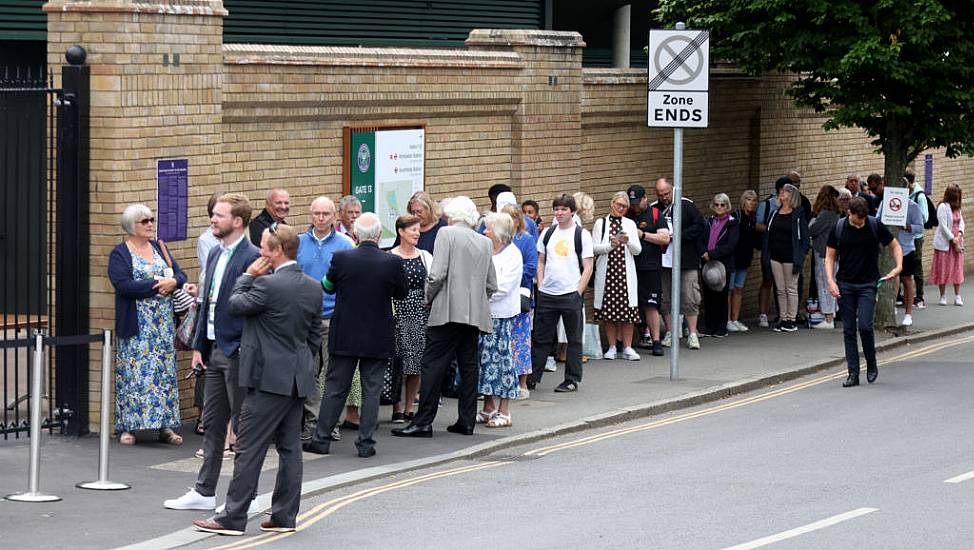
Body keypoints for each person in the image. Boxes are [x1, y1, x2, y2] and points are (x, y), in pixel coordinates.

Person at [192, 224, 322, 536]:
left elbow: (234, 305)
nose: (260, 252)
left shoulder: (267, 286)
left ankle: (233, 518)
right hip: (296, 378)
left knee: (249, 448)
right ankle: (284, 516)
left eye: (264, 247)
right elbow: (314, 336)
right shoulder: (313, 286)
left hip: (266, 381)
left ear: (277, 251)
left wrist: (248, 275)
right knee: (291, 449)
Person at [164, 193, 262, 511]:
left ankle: (244, 496)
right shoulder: (215, 254)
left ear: (237, 221)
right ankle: (204, 492)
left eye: (219, 215)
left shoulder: (253, 257)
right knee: (212, 424)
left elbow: (257, 308)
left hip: (237, 351)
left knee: (243, 429)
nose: (212, 219)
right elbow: (207, 303)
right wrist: (198, 347)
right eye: (213, 214)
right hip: (213, 348)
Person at [303, 213, 407, 457]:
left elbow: (328, 287)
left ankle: (321, 440)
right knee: (372, 390)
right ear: (380, 235)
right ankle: (366, 444)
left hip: (345, 333)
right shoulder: (391, 262)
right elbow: (401, 293)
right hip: (378, 335)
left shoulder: (341, 258)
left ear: (356, 235)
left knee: (335, 387)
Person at [392, 196, 497, 437]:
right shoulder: (484, 242)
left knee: (432, 365)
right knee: (469, 367)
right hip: (474, 315)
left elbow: (437, 275)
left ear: (452, 216)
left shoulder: (446, 234)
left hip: (447, 312)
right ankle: (466, 421)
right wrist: (477, 302)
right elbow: (491, 284)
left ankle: (423, 421)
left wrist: (427, 299)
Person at [108, 204, 188, 446]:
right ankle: (129, 427)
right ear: (132, 226)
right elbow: (123, 285)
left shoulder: (159, 247)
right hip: (137, 326)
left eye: (151, 220)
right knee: (133, 376)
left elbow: (180, 275)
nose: (150, 224)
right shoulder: (120, 253)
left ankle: (165, 426)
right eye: (145, 221)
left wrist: (173, 282)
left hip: (162, 326)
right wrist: (156, 284)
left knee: (163, 376)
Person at [295, 197, 355, 440]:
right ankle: (312, 422)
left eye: (325, 214)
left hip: (334, 317)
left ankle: (331, 423)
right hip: (304, 318)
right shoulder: (298, 242)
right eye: (316, 213)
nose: (320, 218)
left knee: (334, 373)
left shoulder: (346, 245)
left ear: (334, 216)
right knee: (306, 372)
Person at [826, 196, 902, 387]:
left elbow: (895, 246)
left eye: (863, 221)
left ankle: (871, 363)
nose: (861, 225)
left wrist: (898, 266)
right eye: (857, 221)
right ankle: (853, 373)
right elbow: (829, 257)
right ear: (848, 213)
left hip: (868, 284)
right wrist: (830, 281)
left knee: (866, 327)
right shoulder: (839, 228)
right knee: (849, 329)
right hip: (845, 284)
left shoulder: (874, 225)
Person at [528, 193, 594, 393]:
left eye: (564, 209)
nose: (560, 212)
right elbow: (540, 260)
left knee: (573, 339)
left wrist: (578, 291)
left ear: (572, 212)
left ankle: (572, 379)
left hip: (570, 294)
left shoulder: (581, 234)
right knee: (541, 338)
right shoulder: (547, 232)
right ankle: (533, 377)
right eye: (557, 209)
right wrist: (540, 285)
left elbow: (588, 266)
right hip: (547, 293)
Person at [476, 212, 523, 427]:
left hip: (500, 316)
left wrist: (477, 295)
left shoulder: (513, 254)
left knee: (502, 363)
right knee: (484, 362)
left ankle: (505, 412)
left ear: (499, 233)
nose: (485, 232)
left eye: (488, 229)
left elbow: (502, 288)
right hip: (482, 314)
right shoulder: (485, 249)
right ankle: (488, 407)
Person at [388, 214, 432, 422]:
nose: (417, 233)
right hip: (396, 313)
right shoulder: (390, 257)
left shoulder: (424, 256)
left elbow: (431, 283)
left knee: (415, 363)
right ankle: (396, 406)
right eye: (413, 229)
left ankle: (409, 407)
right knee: (395, 362)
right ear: (401, 232)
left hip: (418, 313)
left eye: (418, 229)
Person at [655, 178, 705, 349]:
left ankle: (692, 333)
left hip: (686, 260)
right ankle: (670, 332)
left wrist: (678, 236)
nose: (664, 198)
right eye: (660, 195)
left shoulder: (686, 205)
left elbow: (699, 226)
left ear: (672, 190)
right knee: (665, 298)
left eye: (666, 194)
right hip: (664, 261)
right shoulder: (655, 209)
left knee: (689, 296)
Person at [593, 191, 642, 359]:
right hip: (607, 273)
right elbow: (594, 248)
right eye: (619, 205)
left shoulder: (630, 224)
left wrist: (628, 241)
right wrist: (610, 245)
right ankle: (612, 347)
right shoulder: (601, 223)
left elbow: (638, 251)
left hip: (625, 273)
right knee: (609, 312)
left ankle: (627, 347)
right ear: (612, 203)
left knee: (628, 311)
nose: (621, 208)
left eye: (625, 206)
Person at [192, 191, 223, 437]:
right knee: (205, 361)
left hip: (226, 307)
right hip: (208, 303)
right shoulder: (206, 240)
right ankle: (203, 415)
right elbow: (211, 274)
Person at [762, 184, 810, 332]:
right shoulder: (774, 213)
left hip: (791, 256)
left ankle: (791, 319)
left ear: (792, 195)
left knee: (791, 288)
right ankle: (782, 318)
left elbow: (804, 238)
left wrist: (801, 255)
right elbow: (768, 235)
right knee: (780, 289)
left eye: (786, 191)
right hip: (775, 255)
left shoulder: (797, 215)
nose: (782, 192)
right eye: (781, 190)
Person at [501, 205, 537, 398]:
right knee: (503, 341)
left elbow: (531, 268)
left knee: (521, 341)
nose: (510, 221)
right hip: (500, 298)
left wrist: (510, 274)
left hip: (520, 296)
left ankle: (522, 383)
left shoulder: (526, 240)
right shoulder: (497, 240)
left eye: (513, 217)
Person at [876, 180, 924, 326]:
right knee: (889, 278)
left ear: (907, 191)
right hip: (888, 248)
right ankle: (890, 307)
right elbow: (877, 220)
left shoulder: (913, 207)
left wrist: (907, 226)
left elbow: (920, 227)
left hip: (906, 248)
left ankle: (908, 313)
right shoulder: (885, 203)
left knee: (906, 280)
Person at [629, 184, 667, 355]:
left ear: (645, 198)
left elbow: (664, 238)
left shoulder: (654, 214)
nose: (635, 206)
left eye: (638, 202)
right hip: (630, 267)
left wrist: (643, 235)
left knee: (651, 305)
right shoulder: (627, 214)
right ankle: (634, 338)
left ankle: (656, 340)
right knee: (631, 304)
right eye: (632, 203)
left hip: (650, 267)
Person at [698, 193, 739, 338]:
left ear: (727, 206)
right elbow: (701, 238)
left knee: (721, 296)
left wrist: (713, 254)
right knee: (708, 296)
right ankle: (710, 327)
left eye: (722, 204)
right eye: (716, 204)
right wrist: (704, 252)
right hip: (707, 263)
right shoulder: (708, 221)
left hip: (723, 263)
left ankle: (721, 328)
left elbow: (731, 245)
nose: (719, 207)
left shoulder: (732, 223)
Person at [808, 185, 841, 329]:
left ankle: (828, 318)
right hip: (833, 253)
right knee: (831, 282)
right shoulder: (836, 213)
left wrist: (812, 223)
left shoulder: (826, 214)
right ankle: (831, 314)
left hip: (823, 252)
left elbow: (812, 230)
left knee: (824, 283)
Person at [930, 184, 965, 306]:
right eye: (956, 197)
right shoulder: (943, 207)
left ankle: (957, 296)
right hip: (945, 242)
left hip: (957, 241)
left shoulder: (958, 208)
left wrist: (959, 236)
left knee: (957, 268)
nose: (957, 199)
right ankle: (943, 296)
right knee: (943, 268)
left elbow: (961, 223)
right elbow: (943, 226)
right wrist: (952, 239)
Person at [728, 190, 758, 332]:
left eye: (754, 200)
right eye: (749, 200)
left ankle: (735, 318)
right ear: (743, 201)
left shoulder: (753, 218)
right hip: (734, 257)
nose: (751, 203)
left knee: (739, 288)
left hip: (745, 257)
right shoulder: (736, 216)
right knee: (730, 288)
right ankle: (727, 319)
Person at [906, 170, 930, 309]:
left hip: (916, 237)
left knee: (916, 266)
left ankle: (920, 297)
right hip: (905, 236)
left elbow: (925, 217)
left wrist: (913, 215)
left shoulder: (919, 197)